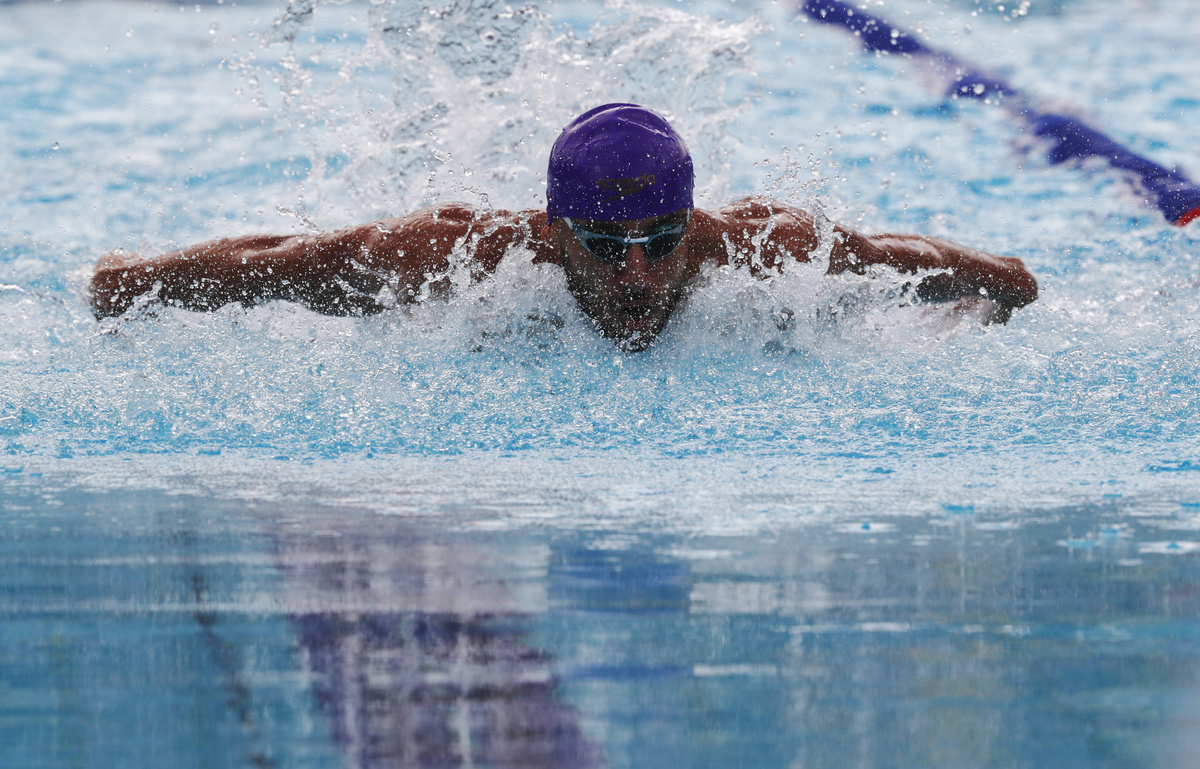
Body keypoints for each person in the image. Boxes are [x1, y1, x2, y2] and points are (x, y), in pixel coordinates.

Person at [89, 103, 1037, 350]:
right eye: (607, 246)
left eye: (661, 241)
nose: (638, 274)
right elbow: (289, 262)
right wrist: (136, 281)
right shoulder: (463, 256)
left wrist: (1000, 282)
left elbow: (899, 258)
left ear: (694, 221)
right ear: (553, 231)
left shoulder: (763, 250)